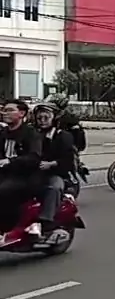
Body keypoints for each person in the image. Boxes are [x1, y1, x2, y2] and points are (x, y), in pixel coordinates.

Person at [31, 102, 76, 241]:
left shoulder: (63, 136)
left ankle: (47, 224)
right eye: (39, 118)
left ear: (54, 118)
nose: (42, 120)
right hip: (32, 173)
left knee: (54, 188)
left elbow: (68, 160)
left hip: (55, 174)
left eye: (46, 117)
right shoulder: (31, 134)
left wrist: (51, 164)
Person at [0, 99, 43, 231]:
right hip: (5, 174)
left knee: (4, 190)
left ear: (22, 113)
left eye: (10, 110)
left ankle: (7, 229)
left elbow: (34, 157)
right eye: (4, 110)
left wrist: (11, 161)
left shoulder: (31, 134)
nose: (5, 113)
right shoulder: (3, 133)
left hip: (25, 176)